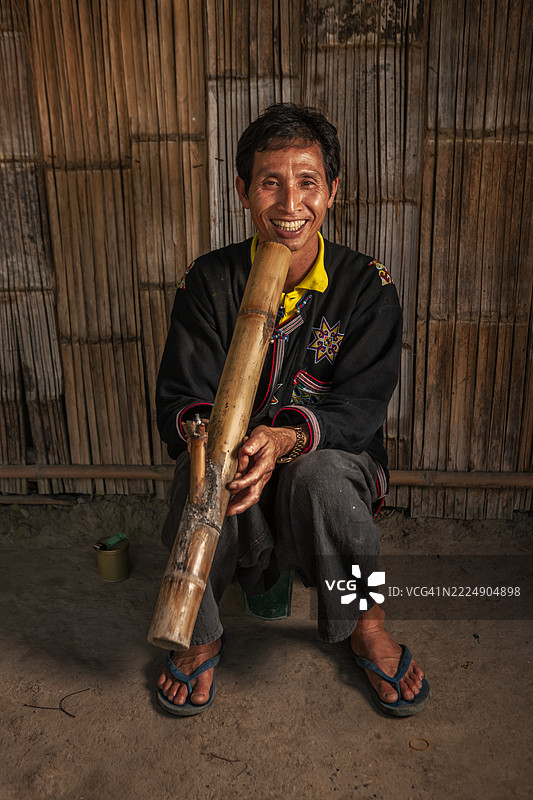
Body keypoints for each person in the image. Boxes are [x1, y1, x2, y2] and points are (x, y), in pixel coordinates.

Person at [155, 103, 429, 717]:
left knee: (324, 478)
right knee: (200, 479)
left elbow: (361, 408)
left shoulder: (368, 287)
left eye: (307, 182)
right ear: (243, 192)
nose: (289, 204)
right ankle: (200, 633)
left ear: (332, 191)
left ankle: (366, 620)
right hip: (233, 456)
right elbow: (180, 392)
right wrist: (220, 443)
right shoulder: (209, 280)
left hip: (325, 461)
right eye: (270, 182)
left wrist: (285, 439)